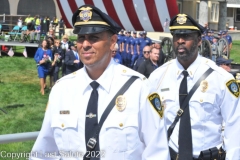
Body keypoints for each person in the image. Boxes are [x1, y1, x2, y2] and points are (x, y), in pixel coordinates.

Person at [30, 4, 170, 160]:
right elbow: (44, 152)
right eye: (81, 38)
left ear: (112, 42)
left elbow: (157, 153)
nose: (85, 44)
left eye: (94, 38)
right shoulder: (62, 90)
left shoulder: (139, 88)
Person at [149, 13, 240, 160]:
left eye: (186, 37)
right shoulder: (158, 77)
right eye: (176, 36)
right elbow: (151, 127)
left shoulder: (220, 79)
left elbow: (234, 127)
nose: (180, 41)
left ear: (198, 40)